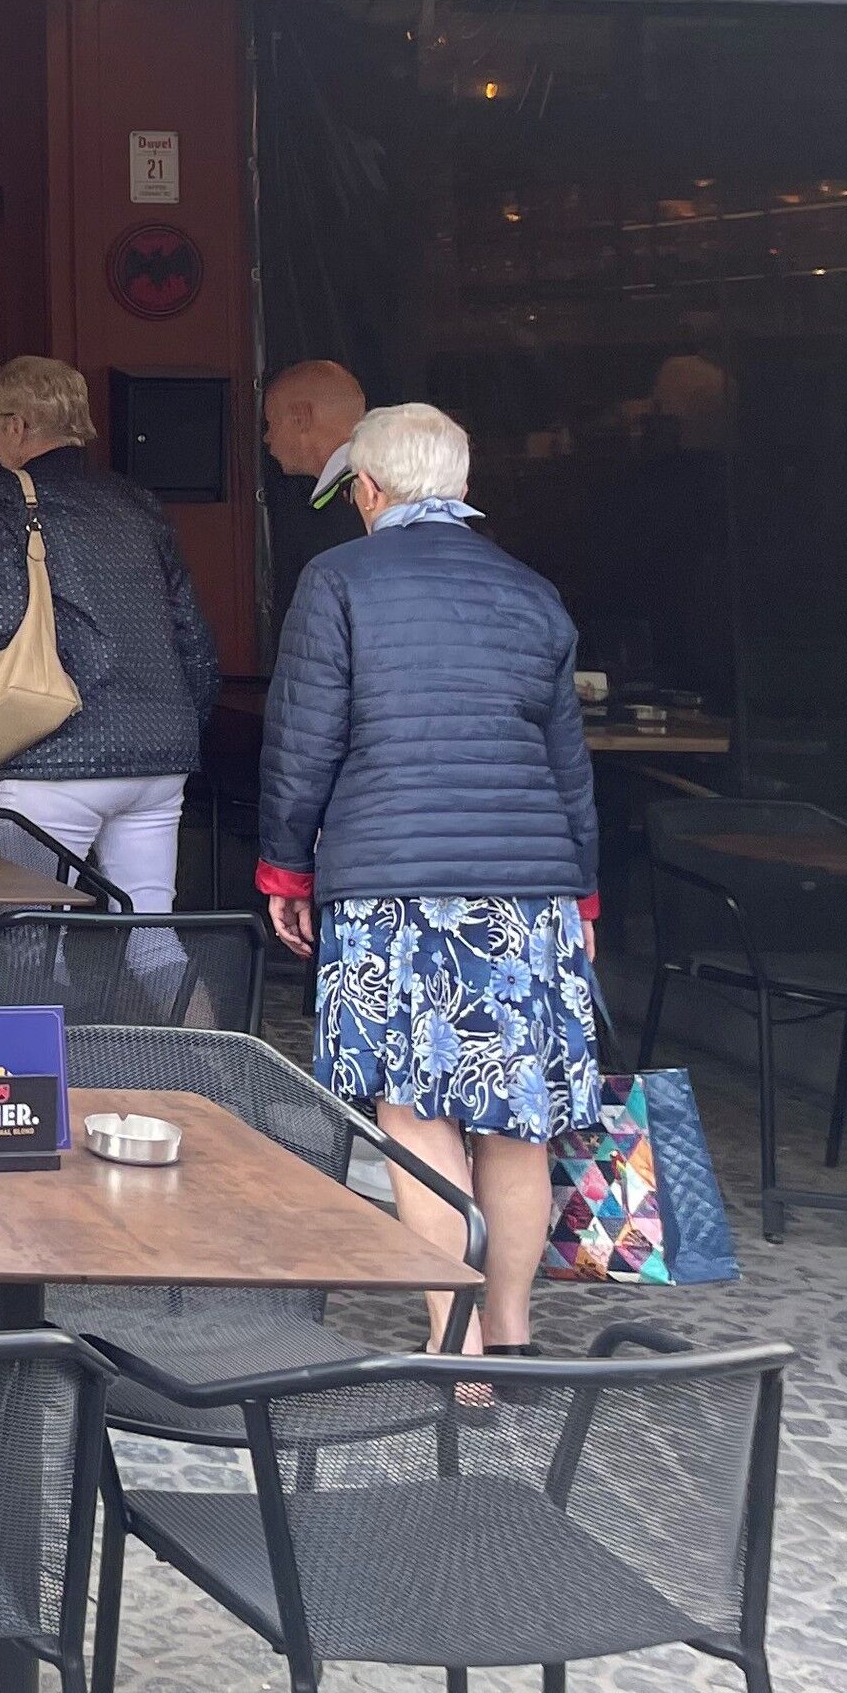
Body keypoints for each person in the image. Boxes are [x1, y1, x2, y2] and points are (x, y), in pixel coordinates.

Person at [256, 401, 600, 1360]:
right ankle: (515, 1336)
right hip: (528, 890)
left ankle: (458, 1347)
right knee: (517, 1120)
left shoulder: (338, 580)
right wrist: (583, 895)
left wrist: (285, 866)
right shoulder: (532, 592)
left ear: (368, 489)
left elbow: (304, 742)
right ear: (461, 485)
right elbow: (569, 766)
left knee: (415, 1114)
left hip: (390, 887)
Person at [0, 354, 217, 961]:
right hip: (159, 754)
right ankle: (200, 1031)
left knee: (31, 941)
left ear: (16, 426)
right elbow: (191, 634)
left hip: (56, 756)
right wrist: (179, 725)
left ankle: (52, 1031)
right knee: (153, 936)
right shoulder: (137, 501)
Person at [260, 356, 370, 633]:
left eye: (271, 423)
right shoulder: (377, 490)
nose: (267, 438)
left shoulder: (356, 505)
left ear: (301, 418)